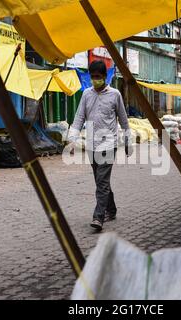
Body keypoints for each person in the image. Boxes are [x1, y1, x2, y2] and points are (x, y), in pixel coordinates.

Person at [68, 60, 132, 231]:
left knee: (102, 182)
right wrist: (72, 141)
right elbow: (79, 117)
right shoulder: (86, 95)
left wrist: (128, 141)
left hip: (108, 144)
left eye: (98, 77)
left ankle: (98, 217)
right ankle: (111, 209)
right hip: (91, 145)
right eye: (93, 77)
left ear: (105, 77)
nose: (95, 80)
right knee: (100, 181)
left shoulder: (115, 94)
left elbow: (124, 120)